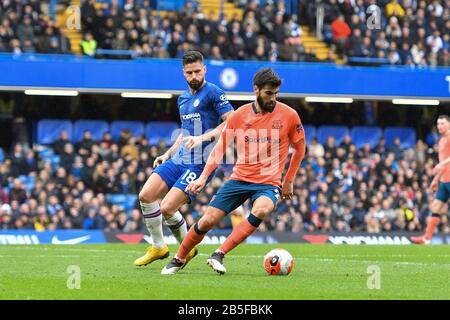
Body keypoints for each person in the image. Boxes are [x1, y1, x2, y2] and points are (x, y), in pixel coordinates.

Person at [161, 68, 306, 275]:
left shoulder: (289, 115)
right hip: (239, 179)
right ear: (256, 90)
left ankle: (219, 254)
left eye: (275, 94)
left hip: (268, 183)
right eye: (268, 94)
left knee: (261, 210)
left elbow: (300, 148)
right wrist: (203, 177)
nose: (273, 98)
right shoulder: (239, 115)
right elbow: (220, 148)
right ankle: (179, 258)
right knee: (207, 220)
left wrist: (289, 180)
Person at [134, 51, 234, 266]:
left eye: (197, 71)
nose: (193, 76)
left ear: (204, 69)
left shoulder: (214, 93)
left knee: (168, 208)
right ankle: (159, 247)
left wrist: (203, 137)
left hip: (200, 163)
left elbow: (231, 121)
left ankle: (185, 250)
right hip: (178, 158)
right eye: (189, 73)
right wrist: (167, 154)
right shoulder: (183, 98)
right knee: (146, 195)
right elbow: (185, 131)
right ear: (183, 73)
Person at [411, 115, 450, 244]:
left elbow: (443, 162)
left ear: (449, 124)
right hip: (444, 180)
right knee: (435, 207)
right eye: (438, 124)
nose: (439, 126)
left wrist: (442, 164)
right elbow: (442, 162)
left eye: (442, 124)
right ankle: (426, 238)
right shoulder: (441, 140)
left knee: (437, 207)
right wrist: (436, 179)